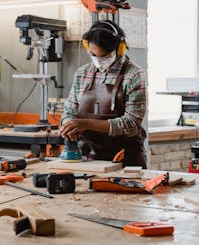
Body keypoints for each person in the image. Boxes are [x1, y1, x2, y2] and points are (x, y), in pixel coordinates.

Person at [60, 20, 147, 167]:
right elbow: (69, 110)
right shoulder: (83, 73)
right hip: (87, 156)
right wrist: (68, 124)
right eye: (94, 55)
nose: (99, 61)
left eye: (105, 56)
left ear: (120, 49)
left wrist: (86, 123)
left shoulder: (134, 74)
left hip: (124, 157)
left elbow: (131, 123)